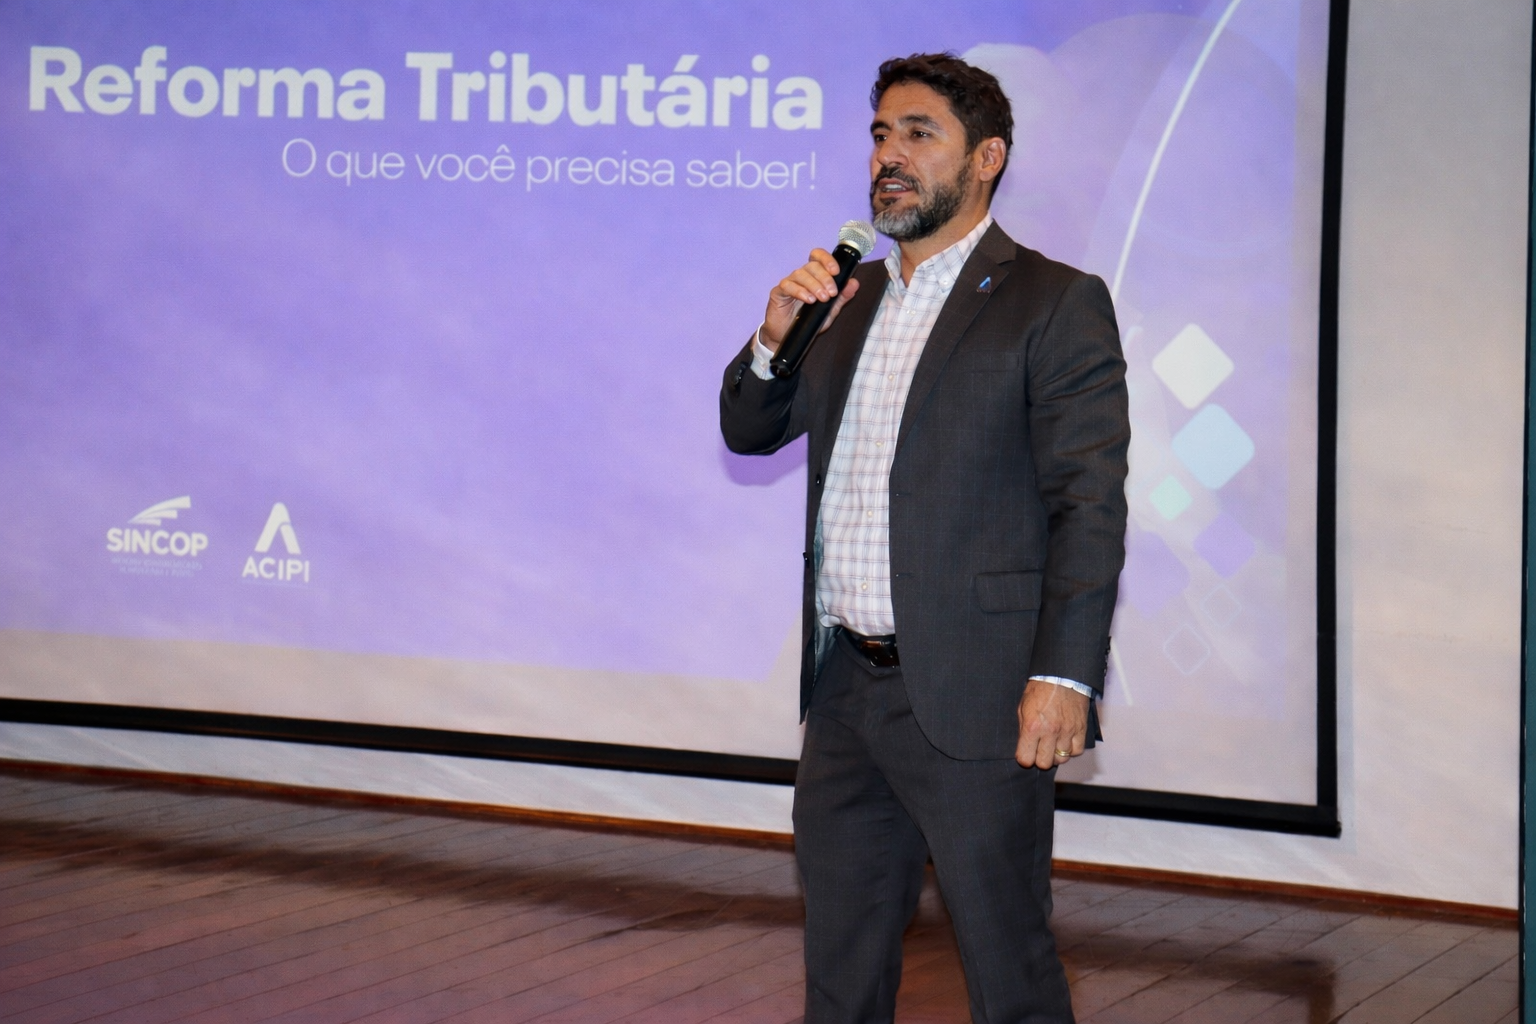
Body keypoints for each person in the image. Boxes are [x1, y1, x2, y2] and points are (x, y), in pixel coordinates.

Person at [719, 53, 1128, 1024]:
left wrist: (1064, 675)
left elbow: (1088, 502)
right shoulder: (844, 300)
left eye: (917, 133)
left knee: (1008, 968)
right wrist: (777, 337)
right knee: (841, 973)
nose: (888, 156)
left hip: (980, 693)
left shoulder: (1052, 301)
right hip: (845, 692)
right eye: (878, 135)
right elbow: (748, 429)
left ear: (986, 158)